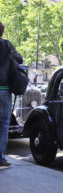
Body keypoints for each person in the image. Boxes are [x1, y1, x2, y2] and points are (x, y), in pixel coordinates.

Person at [0, 22, 23, 168]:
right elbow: (19, 59)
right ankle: (0, 158)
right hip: (3, 90)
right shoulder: (7, 45)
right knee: (3, 126)